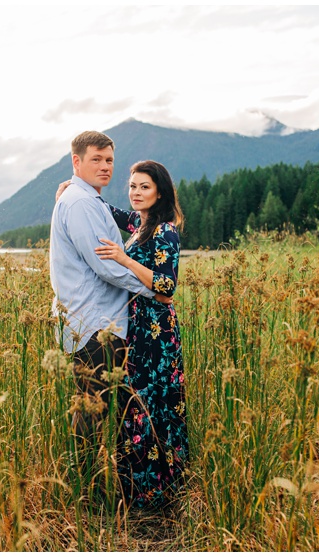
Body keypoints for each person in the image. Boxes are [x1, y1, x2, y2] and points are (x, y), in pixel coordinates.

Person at [58, 160, 188, 510]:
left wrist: (123, 259)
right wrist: (74, 189)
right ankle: (137, 493)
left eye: (144, 187)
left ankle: (162, 494)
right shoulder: (139, 224)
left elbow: (166, 286)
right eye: (132, 186)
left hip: (157, 330)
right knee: (135, 406)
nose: (135, 192)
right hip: (136, 326)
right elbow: (108, 210)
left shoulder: (165, 231)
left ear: (160, 191)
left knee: (154, 405)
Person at [48, 131, 168, 472]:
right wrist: (153, 289)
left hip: (92, 321)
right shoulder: (81, 202)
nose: (105, 166)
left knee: (98, 409)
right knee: (91, 412)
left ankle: (96, 484)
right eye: (96, 159)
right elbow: (106, 267)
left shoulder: (84, 200)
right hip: (95, 326)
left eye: (109, 160)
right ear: (77, 161)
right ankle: (82, 491)